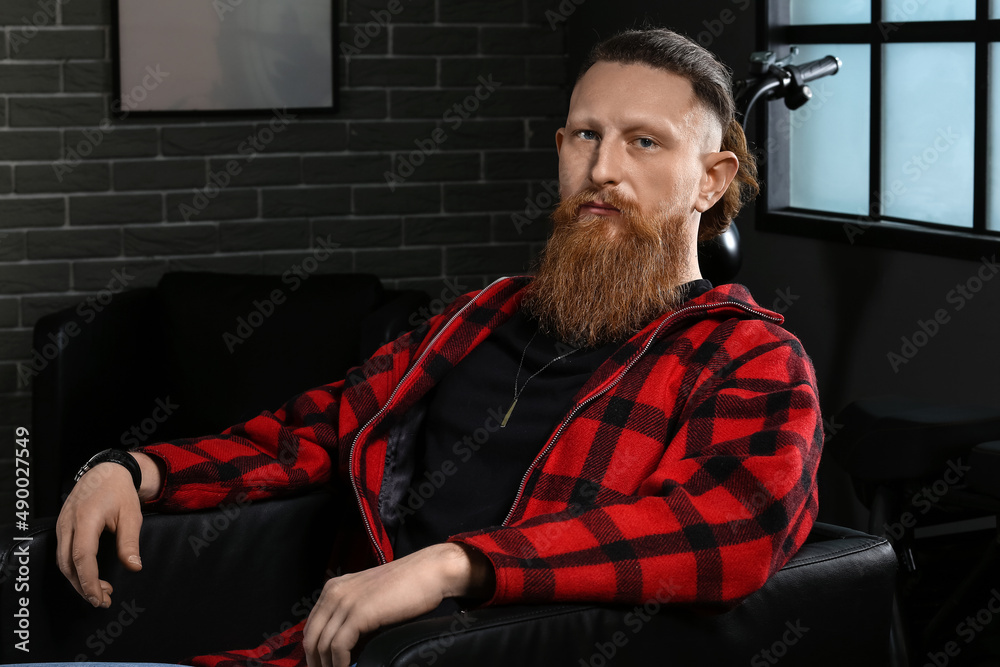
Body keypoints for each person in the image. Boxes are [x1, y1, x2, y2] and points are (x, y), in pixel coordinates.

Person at [56, 27, 822, 667]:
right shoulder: (481, 315)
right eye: (585, 134)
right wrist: (137, 468)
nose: (602, 170)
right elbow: (319, 428)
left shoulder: (747, 356)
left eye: (644, 142)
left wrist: (456, 563)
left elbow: (729, 527)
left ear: (711, 180)